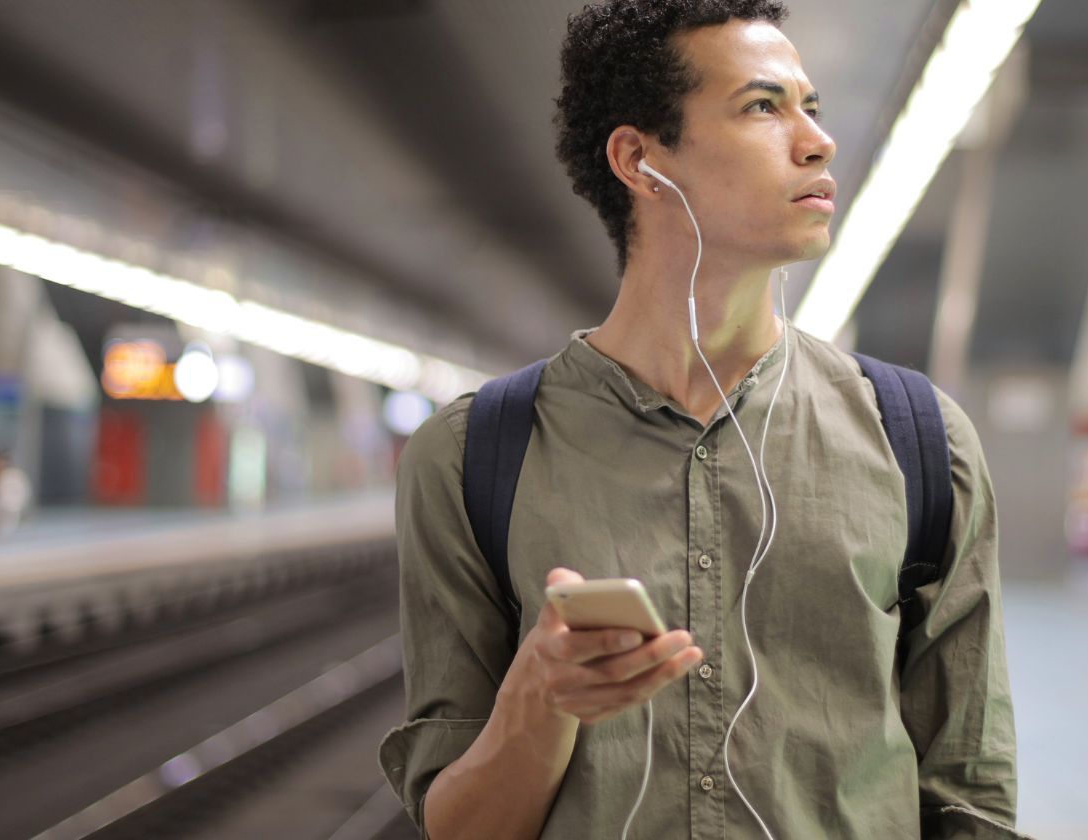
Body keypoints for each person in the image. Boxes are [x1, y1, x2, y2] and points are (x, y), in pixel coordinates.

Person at [377, 2, 1019, 838]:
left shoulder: (922, 441)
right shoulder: (472, 459)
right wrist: (539, 700)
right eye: (762, 107)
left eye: (810, 108)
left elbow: (972, 794)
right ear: (640, 160)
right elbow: (457, 826)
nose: (816, 141)